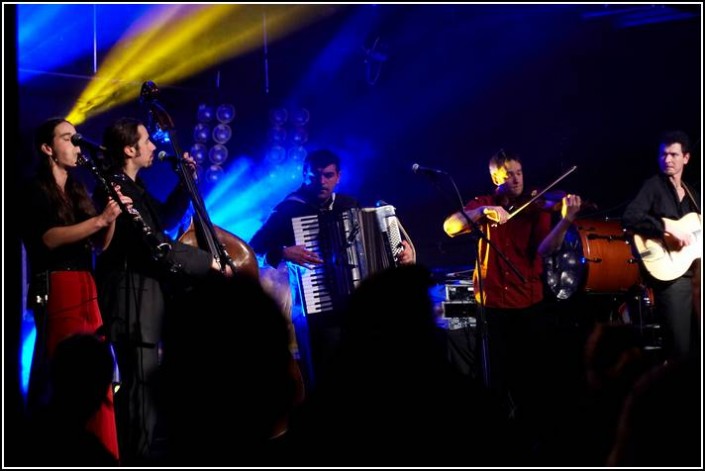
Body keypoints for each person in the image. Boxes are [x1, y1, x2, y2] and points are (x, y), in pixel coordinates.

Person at [93, 117, 231, 464]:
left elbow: (165, 219)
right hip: (131, 296)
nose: (154, 146)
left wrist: (186, 183)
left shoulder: (134, 187)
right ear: (129, 149)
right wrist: (208, 263)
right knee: (139, 389)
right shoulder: (114, 186)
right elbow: (153, 242)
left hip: (145, 295)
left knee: (144, 388)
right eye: (146, 140)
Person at [442, 150, 582, 459]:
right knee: (495, 379)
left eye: (519, 172)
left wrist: (566, 220)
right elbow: (450, 227)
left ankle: (533, 443)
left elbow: (547, 249)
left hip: (528, 302)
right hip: (492, 303)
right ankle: (497, 445)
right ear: (496, 178)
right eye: (509, 174)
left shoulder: (537, 207)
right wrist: (485, 212)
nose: (516, 179)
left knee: (531, 379)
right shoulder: (482, 203)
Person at [249, 149, 416, 387]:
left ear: (338, 176)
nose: (322, 181)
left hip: (355, 307)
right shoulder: (289, 209)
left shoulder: (350, 205)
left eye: (328, 175)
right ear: (304, 175)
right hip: (313, 308)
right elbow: (254, 247)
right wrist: (284, 251)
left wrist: (402, 253)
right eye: (315, 175)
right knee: (325, 380)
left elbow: (385, 243)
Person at [20, 117, 125, 462]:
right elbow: (48, 238)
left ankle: (105, 452)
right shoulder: (34, 189)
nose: (76, 145)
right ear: (48, 148)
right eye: (67, 138)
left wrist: (110, 218)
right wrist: (99, 220)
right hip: (58, 284)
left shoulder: (77, 189)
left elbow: (99, 245)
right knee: (69, 375)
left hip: (86, 283)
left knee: (98, 372)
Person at [622, 130, 700, 363]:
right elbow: (630, 218)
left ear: (686, 158)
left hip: (694, 277)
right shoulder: (654, 186)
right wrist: (666, 225)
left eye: (673, 154)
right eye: (663, 155)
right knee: (679, 351)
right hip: (671, 277)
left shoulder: (694, 195)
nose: (667, 160)